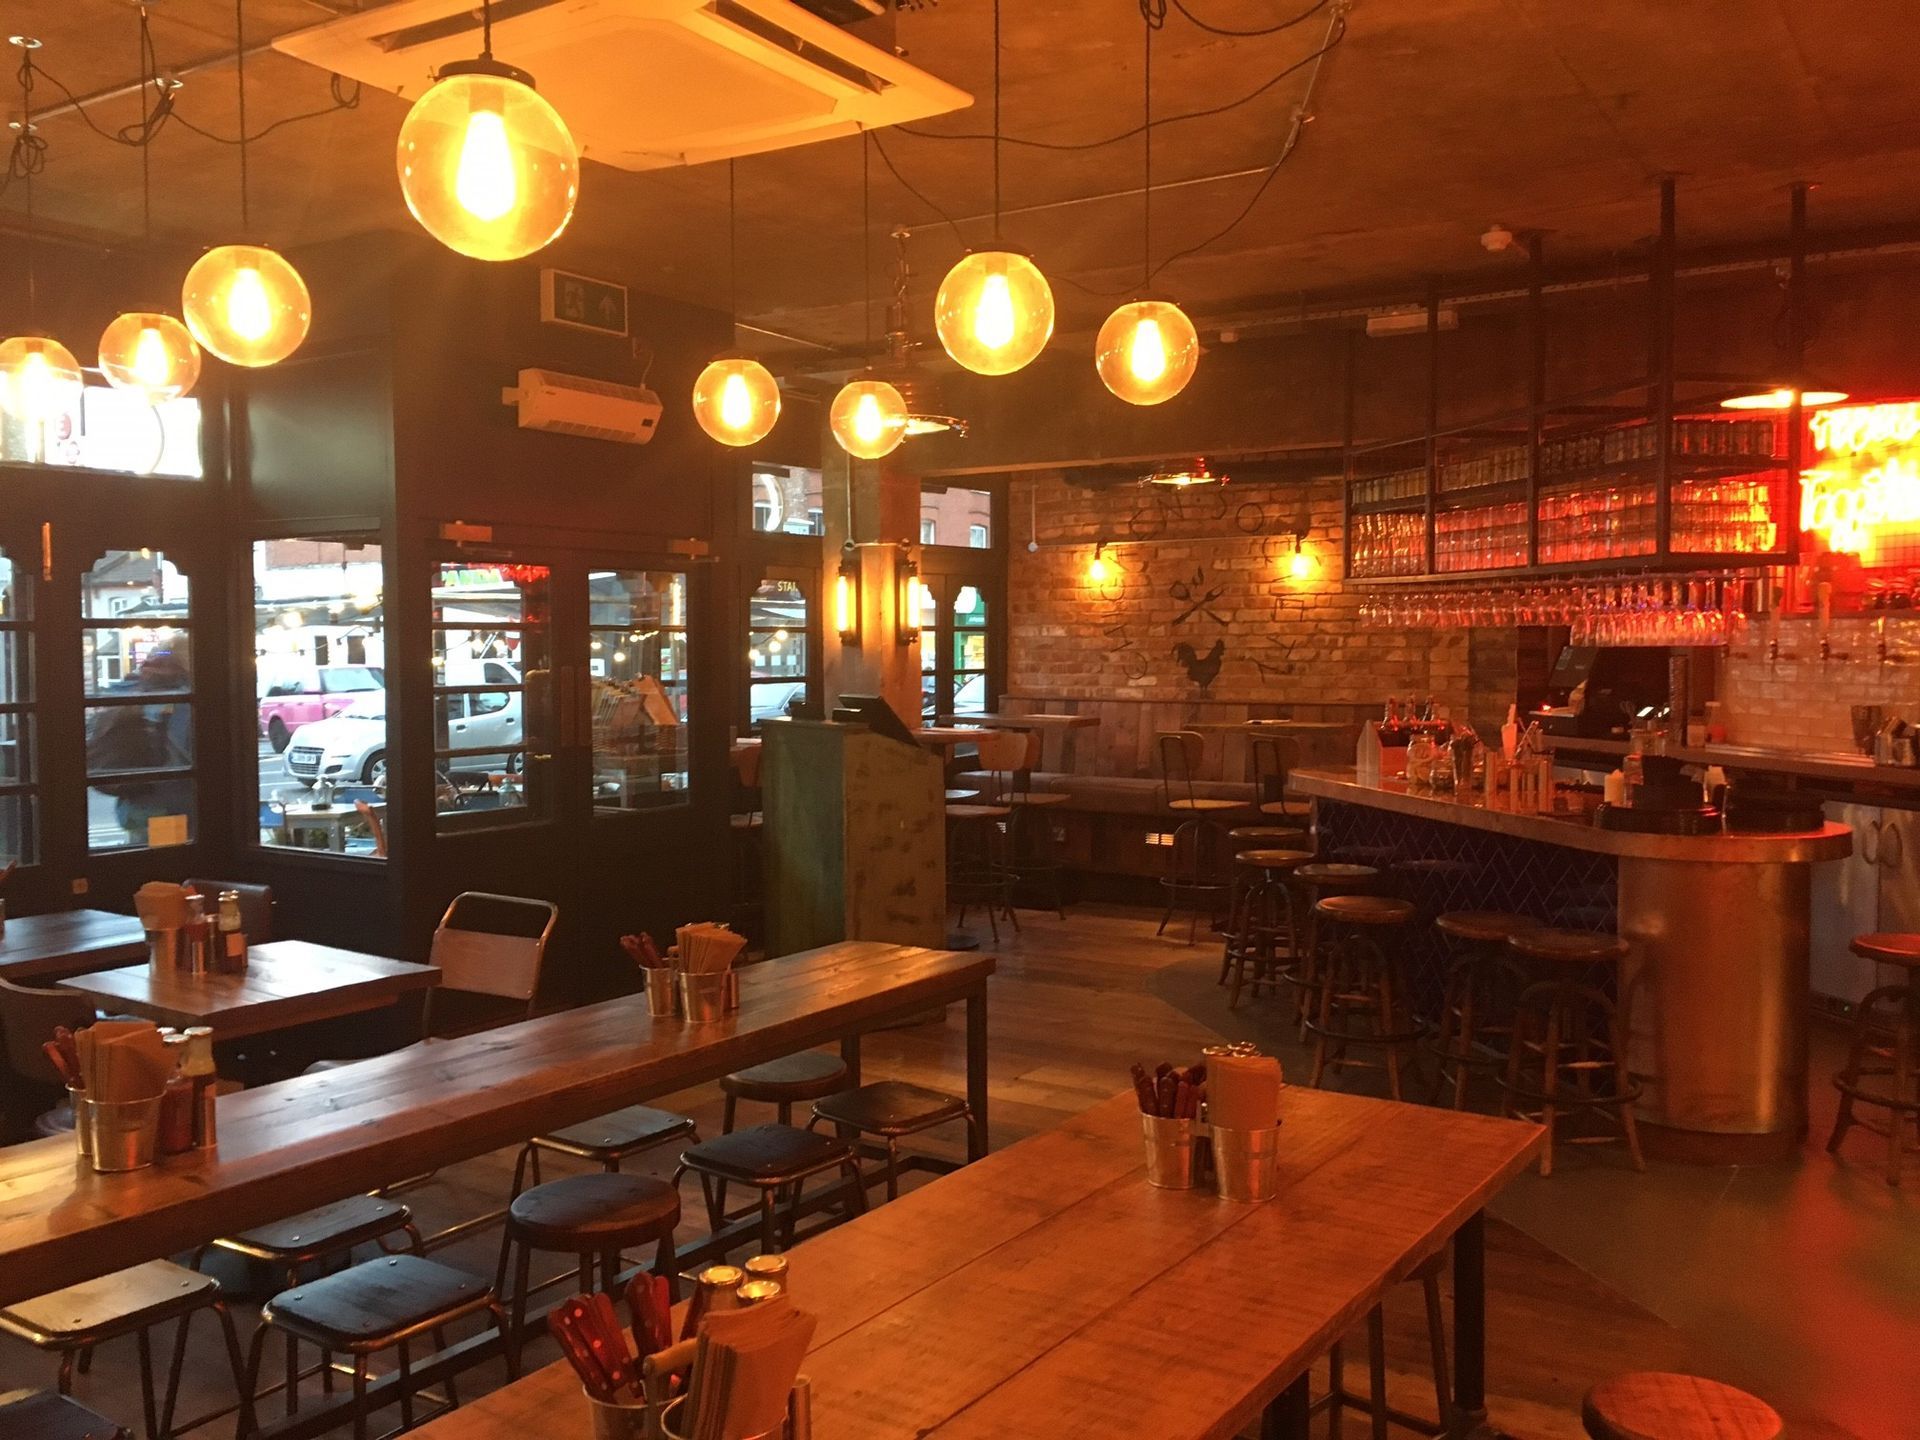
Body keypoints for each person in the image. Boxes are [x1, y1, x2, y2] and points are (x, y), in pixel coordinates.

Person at [85, 649, 193, 844]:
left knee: (145, 862)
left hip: (134, 804)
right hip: (172, 807)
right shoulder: (187, 704)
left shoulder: (132, 696)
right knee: (172, 865)